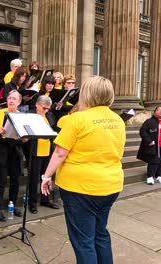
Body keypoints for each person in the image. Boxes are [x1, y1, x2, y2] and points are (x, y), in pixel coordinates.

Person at [41, 76, 126, 263]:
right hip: (110, 184)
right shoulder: (118, 120)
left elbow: (60, 152)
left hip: (80, 187)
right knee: (100, 233)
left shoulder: (77, 119)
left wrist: (46, 176)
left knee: (84, 240)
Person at [0, 90, 24, 221]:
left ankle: (13, 205)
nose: (11, 100)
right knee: (1, 180)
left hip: (15, 149)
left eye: (14, 98)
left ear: (19, 102)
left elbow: (24, 135)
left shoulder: (22, 116)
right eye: (9, 98)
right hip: (2, 149)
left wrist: (25, 138)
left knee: (15, 180)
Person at [28, 95, 60, 213]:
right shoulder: (30, 115)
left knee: (46, 176)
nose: (46, 110)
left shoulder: (49, 115)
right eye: (44, 108)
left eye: (48, 108)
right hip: (35, 150)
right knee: (34, 178)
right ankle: (32, 203)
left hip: (48, 150)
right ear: (37, 105)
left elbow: (53, 128)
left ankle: (45, 199)